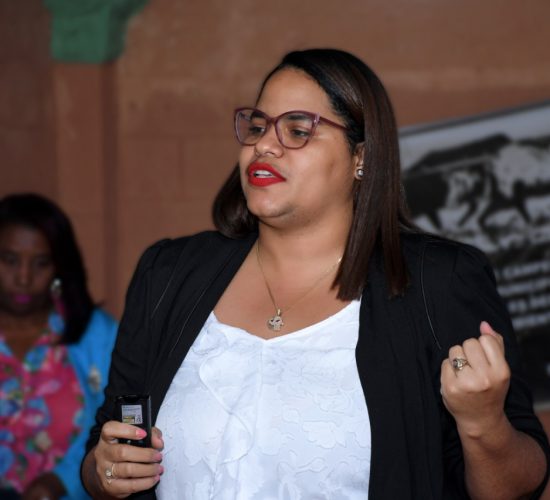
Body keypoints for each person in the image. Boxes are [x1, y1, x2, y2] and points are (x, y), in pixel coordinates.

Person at [81, 48, 549, 499]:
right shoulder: (169, 273)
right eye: (258, 126)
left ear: (361, 156)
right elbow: (106, 445)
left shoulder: (435, 282)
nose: (264, 144)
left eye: (298, 130)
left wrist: (482, 423)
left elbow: (519, 486)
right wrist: (104, 472)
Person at [0, 193, 118, 499]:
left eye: (40, 263)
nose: (23, 277)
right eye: (10, 260)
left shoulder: (95, 334)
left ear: (59, 268)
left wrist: (60, 482)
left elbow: (117, 424)